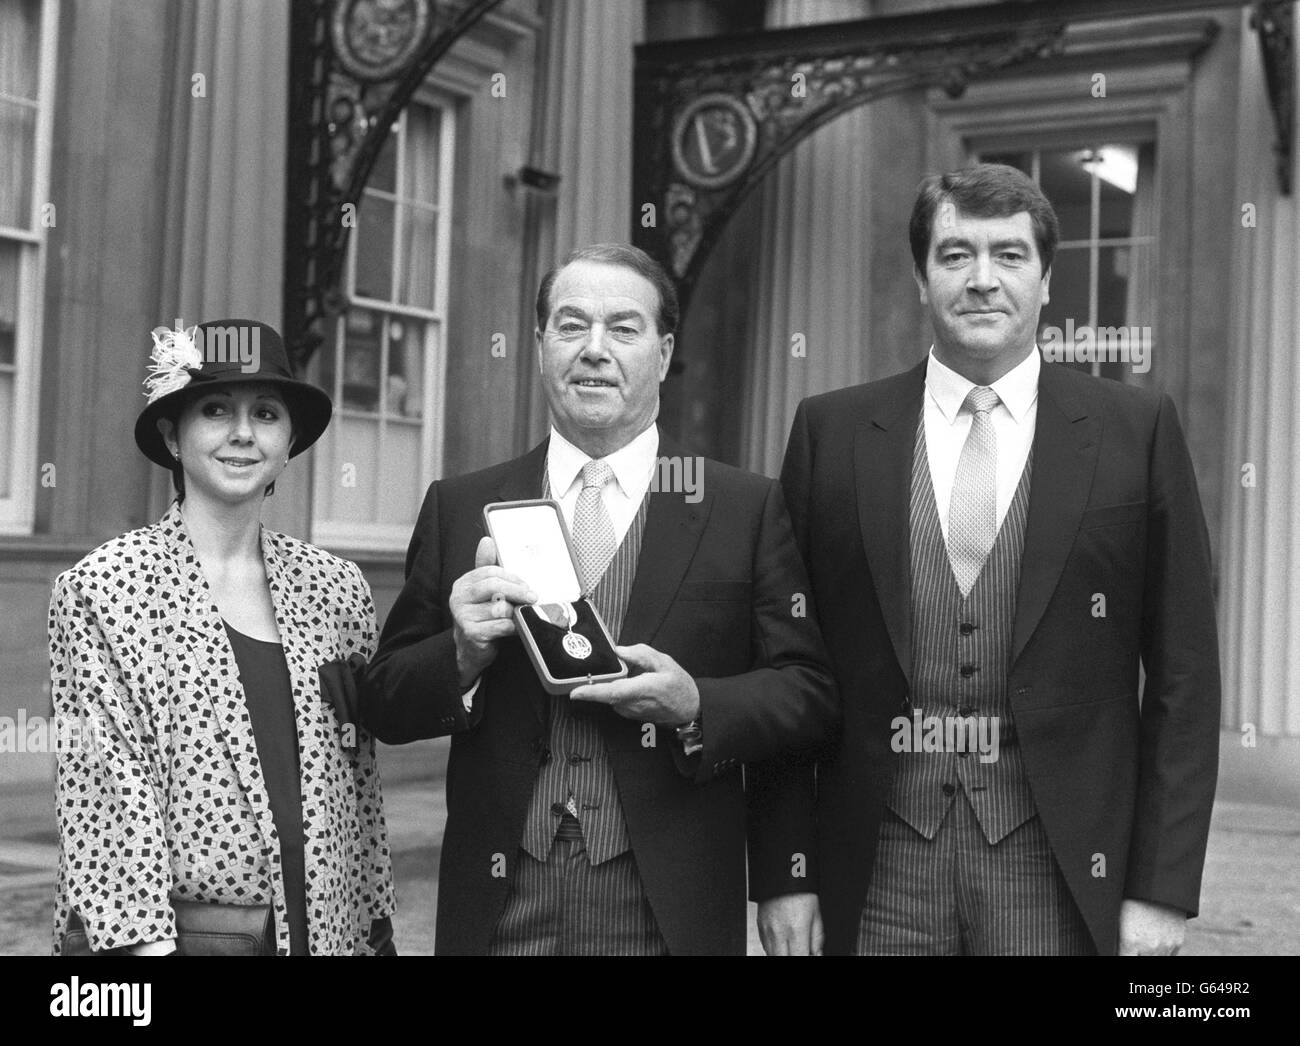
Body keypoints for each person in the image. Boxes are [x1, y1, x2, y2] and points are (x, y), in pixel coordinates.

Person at [775, 163, 1221, 956]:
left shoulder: (1136, 430)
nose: (983, 280)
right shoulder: (831, 434)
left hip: (1056, 868)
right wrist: (786, 870)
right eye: (956, 255)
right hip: (877, 871)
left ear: (1047, 279)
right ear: (921, 278)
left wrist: (1160, 888)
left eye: (1009, 255)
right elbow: (786, 669)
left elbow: (1185, 677)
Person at [362, 243, 838, 955]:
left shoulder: (743, 508)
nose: (593, 350)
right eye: (571, 325)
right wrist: (458, 654)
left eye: (622, 328)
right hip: (501, 900)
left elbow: (806, 692)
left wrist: (699, 705)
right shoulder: (462, 506)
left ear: (664, 349)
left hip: (666, 904)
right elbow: (384, 703)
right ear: (540, 343)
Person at [50, 319, 395, 955]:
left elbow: (361, 787)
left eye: (265, 413)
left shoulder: (337, 588)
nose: (242, 432)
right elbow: (106, 802)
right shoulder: (104, 589)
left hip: (331, 936)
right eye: (215, 410)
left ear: (289, 443)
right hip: (190, 943)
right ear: (172, 437)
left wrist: (375, 929)